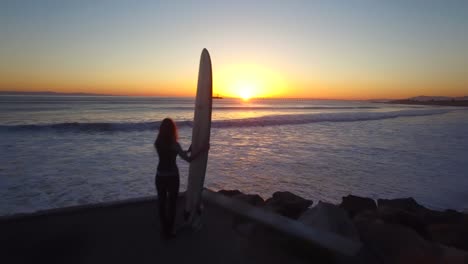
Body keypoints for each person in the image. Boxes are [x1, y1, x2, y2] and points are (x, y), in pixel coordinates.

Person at [154, 118, 207, 239]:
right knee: (172, 204)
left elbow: (173, 153)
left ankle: (164, 229)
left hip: (160, 176)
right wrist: (202, 150)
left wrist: (187, 150)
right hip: (172, 177)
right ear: (173, 130)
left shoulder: (157, 143)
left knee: (161, 204)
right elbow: (189, 159)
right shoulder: (174, 144)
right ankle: (170, 231)